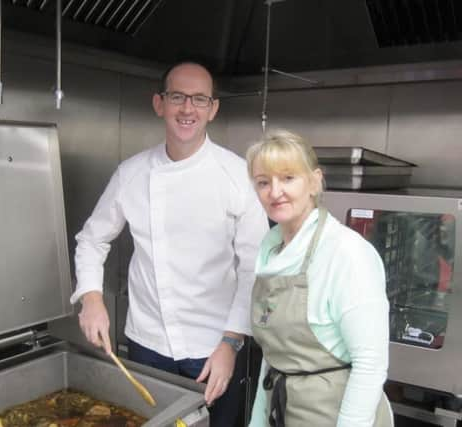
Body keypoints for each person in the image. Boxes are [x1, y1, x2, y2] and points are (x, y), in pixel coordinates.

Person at [71, 61, 269, 426]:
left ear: (213, 109)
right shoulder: (131, 174)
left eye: (199, 99)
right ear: (159, 104)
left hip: (215, 347)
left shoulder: (237, 177)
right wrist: (92, 297)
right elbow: (91, 239)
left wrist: (232, 344)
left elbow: (254, 269)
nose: (187, 109)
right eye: (177, 97)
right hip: (146, 343)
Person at [245, 129, 393, 427]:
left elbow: (370, 365)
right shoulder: (270, 250)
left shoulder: (346, 254)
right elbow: (276, 353)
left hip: (337, 415)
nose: (275, 192)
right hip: (285, 410)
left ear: (314, 182)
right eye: (263, 182)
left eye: (288, 178)